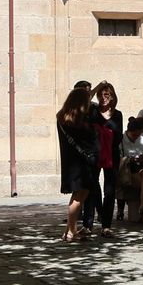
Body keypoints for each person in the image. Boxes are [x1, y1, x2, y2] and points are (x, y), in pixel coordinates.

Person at [57, 86, 99, 242]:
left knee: (77, 195)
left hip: (70, 162)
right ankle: (72, 232)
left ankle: (68, 230)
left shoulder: (62, 117)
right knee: (80, 196)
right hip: (84, 162)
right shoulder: (82, 121)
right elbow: (92, 140)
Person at [89, 81, 123, 231]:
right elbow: (85, 98)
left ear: (112, 96)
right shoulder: (92, 111)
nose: (104, 97)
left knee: (110, 191)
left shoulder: (118, 114)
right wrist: (98, 86)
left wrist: (104, 135)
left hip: (112, 155)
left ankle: (106, 226)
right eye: (101, 94)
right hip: (95, 154)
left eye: (107, 94)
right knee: (92, 186)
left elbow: (118, 137)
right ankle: (95, 218)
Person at [119, 115, 143, 225]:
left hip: (142, 168)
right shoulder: (121, 140)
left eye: (138, 135)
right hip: (128, 172)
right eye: (134, 135)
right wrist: (129, 159)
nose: (136, 137)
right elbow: (119, 159)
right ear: (128, 131)